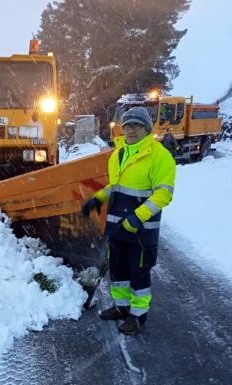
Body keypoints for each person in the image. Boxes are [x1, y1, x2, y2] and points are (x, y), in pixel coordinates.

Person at [81, 106, 176, 335]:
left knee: (138, 273)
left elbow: (163, 194)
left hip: (142, 231)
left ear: (146, 128)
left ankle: (138, 316)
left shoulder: (160, 156)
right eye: (127, 125)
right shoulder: (119, 153)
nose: (131, 130)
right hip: (117, 227)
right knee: (119, 270)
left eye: (137, 125)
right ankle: (122, 308)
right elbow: (116, 186)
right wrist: (98, 198)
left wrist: (137, 217)